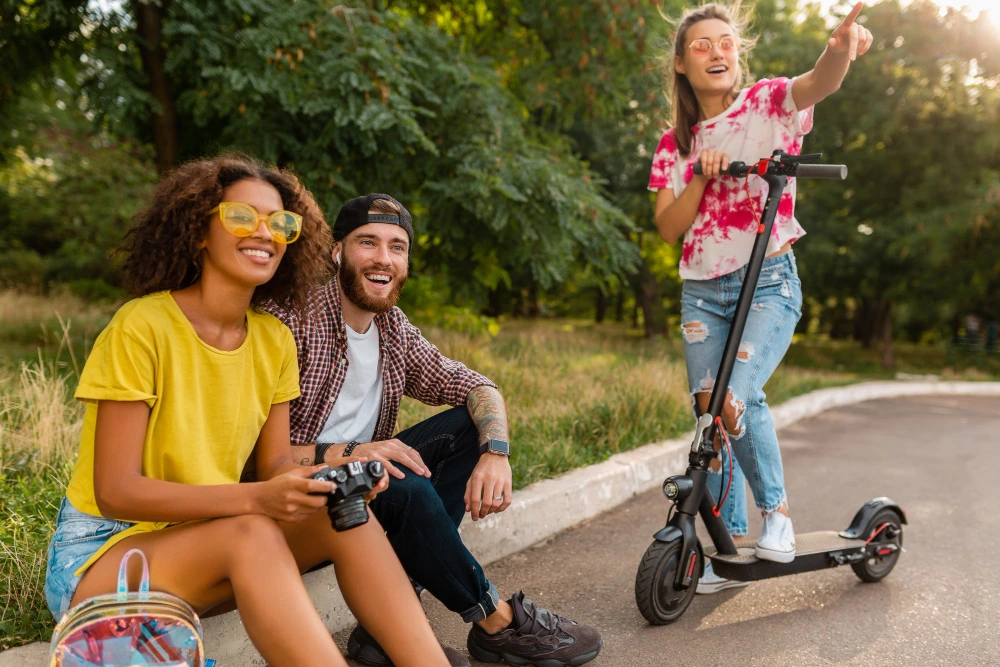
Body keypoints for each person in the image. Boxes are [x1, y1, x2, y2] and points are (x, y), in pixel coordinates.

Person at [42, 155, 448, 667]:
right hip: (106, 559)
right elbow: (116, 490)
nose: (265, 233)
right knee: (251, 529)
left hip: (212, 541)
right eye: (241, 217)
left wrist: (333, 474)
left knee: (346, 509)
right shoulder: (140, 327)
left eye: (280, 223)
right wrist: (258, 499)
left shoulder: (274, 340)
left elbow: (277, 465)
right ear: (199, 232)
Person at [263, 193, 604, 667]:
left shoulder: (392, 329)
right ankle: (496, 620)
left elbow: (477, 387)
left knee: (467, 428)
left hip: (364, 482)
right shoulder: (292, 321)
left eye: (397, 247)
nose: (384, 258)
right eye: (368, 243)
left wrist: (496, 453)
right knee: (402, 485)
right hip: (292, 502)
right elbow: (261, 460)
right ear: (336, 251)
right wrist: (358, 452)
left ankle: (382, 631)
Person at [648, 1, 873, 592]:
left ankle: (778, 517)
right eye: (702, 45)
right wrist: (702, 172)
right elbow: (669, 227)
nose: (718, 52)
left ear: (738, 53)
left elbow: (818, 82)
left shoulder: (767, 103)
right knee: (709, 411)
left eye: (726, 42)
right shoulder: (674, 144)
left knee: (735, 400)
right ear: (680, 62)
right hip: (701, 293)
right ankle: (730, 547)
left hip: (769, 280)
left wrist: (838, 48)